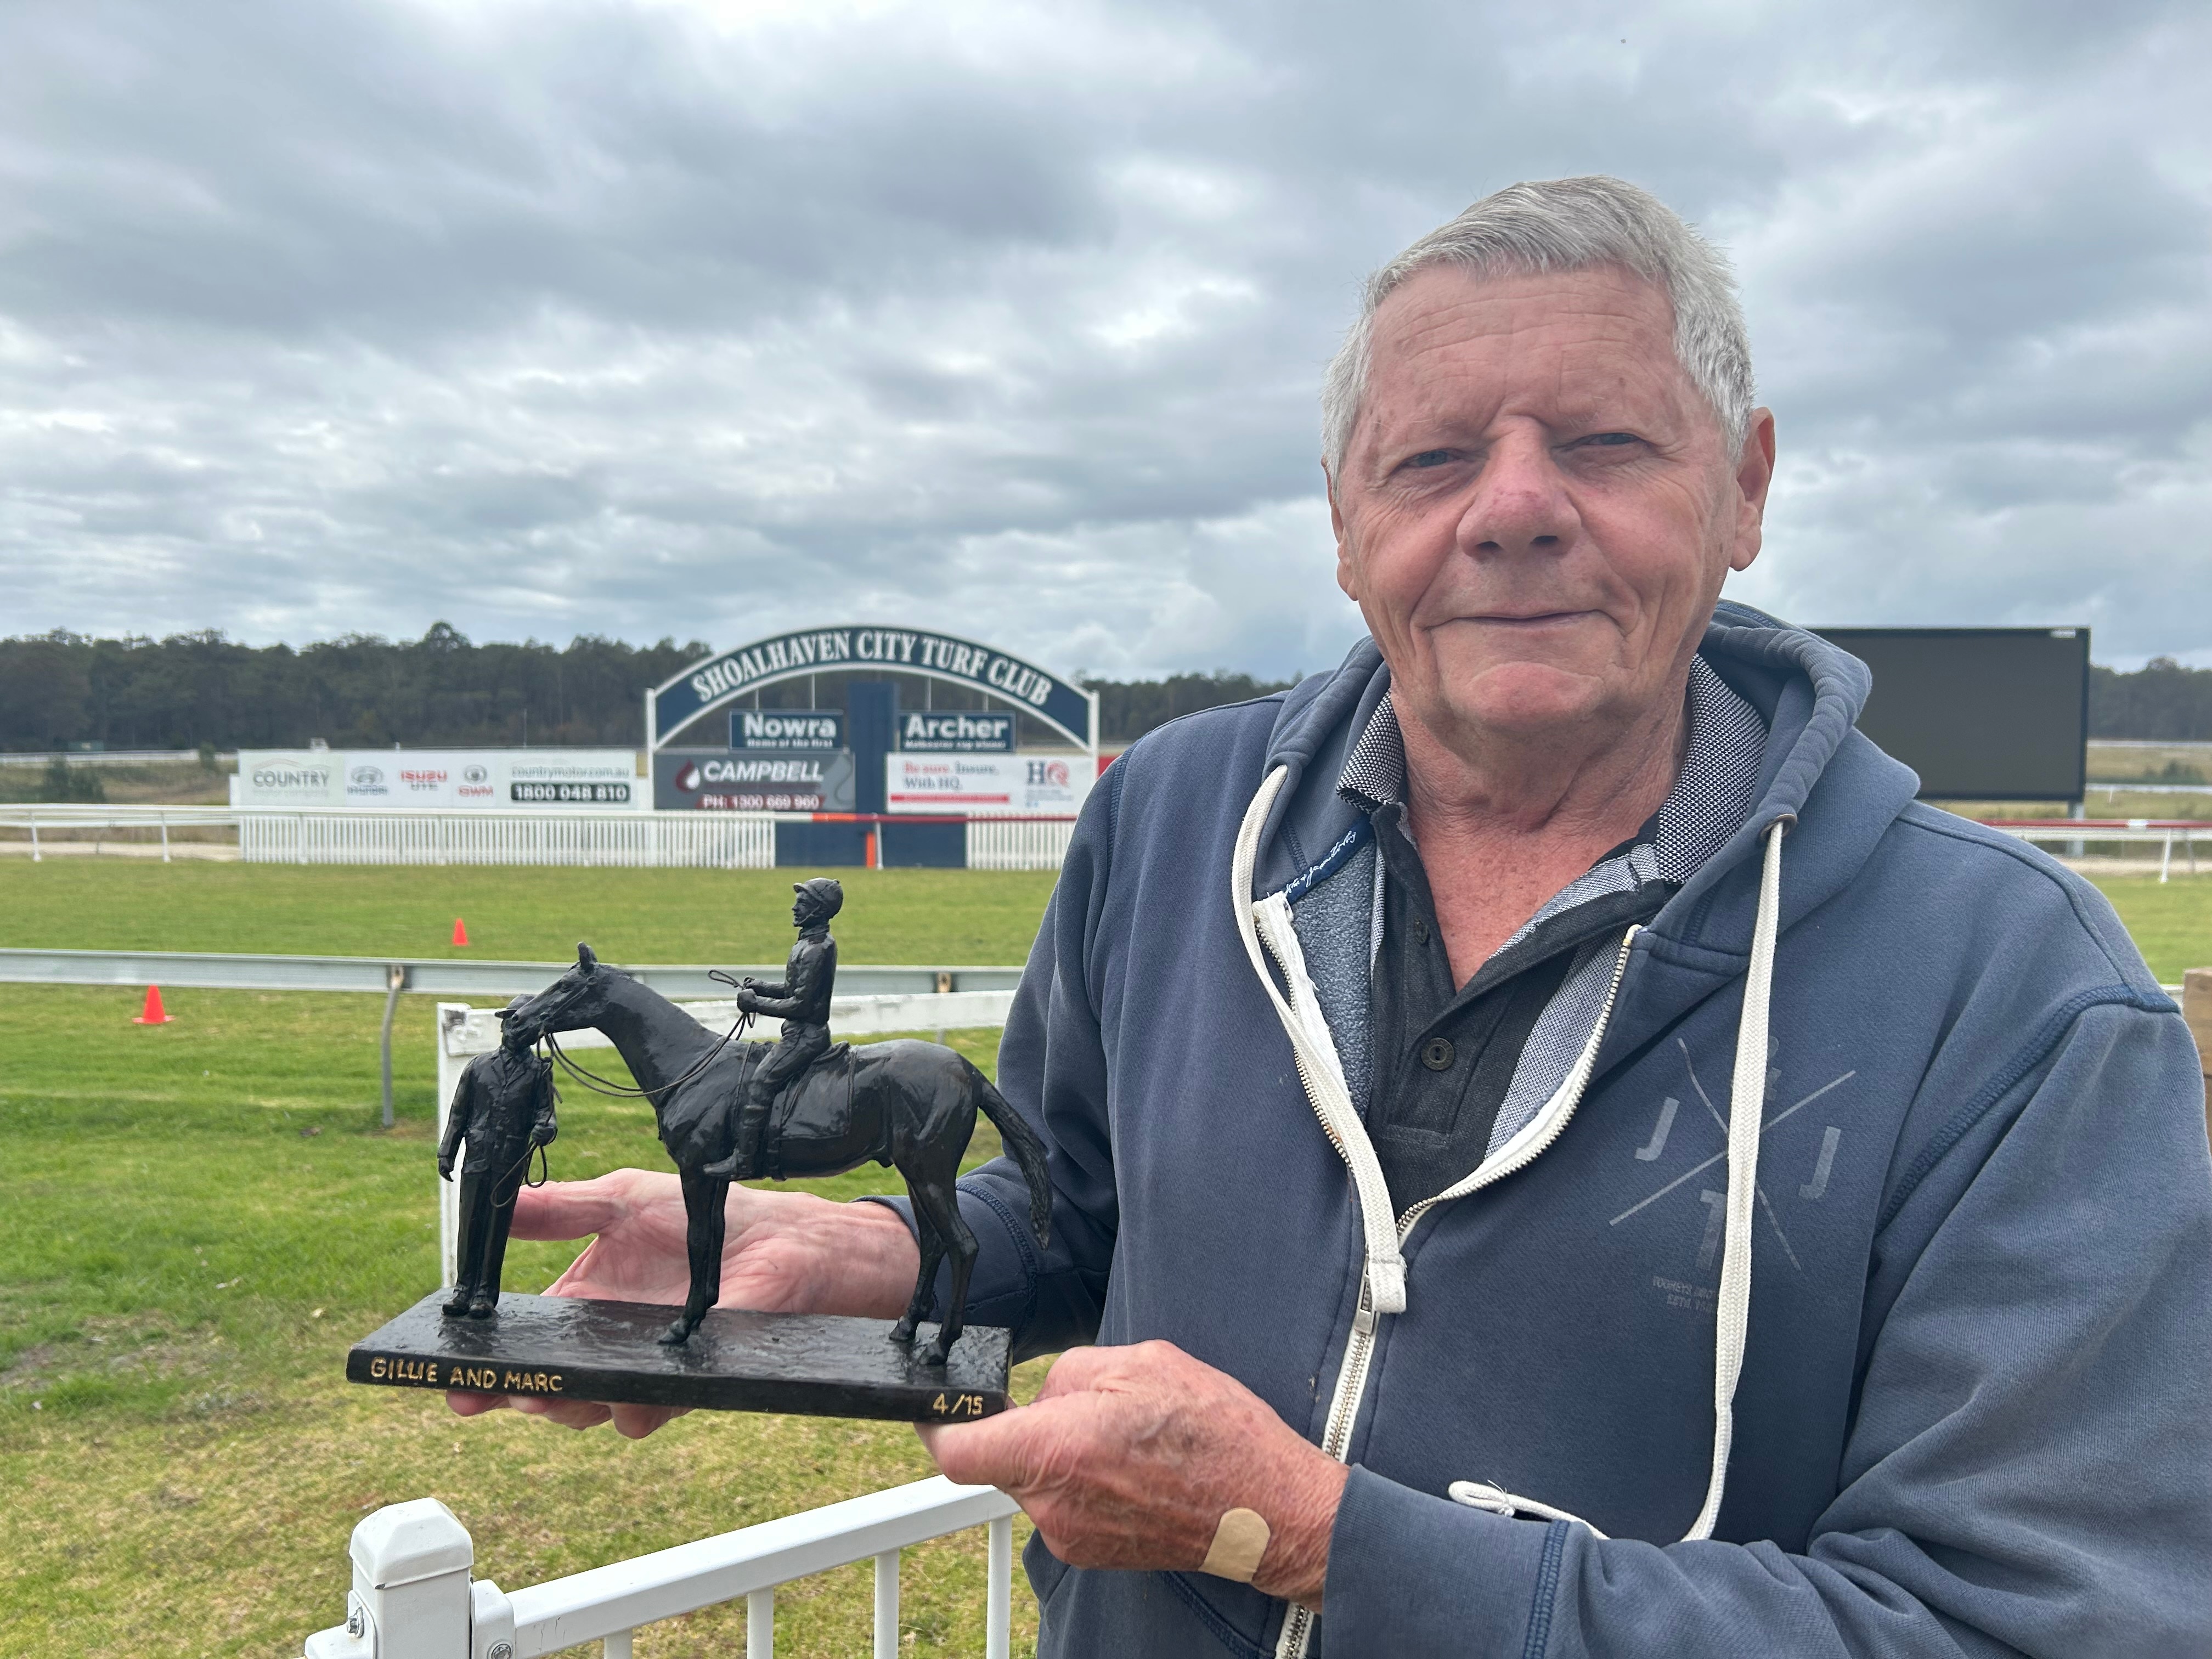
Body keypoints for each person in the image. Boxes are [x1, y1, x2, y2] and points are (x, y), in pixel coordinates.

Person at [454, 178, 2212, 1655]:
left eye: (1601, 443)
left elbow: (2034, 1623)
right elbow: (1080, 1205)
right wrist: (883, 1258)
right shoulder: (1171, 816)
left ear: (1743, 486)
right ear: (1347, 522)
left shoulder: (2019, 995)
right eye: (1434, 457)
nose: (1512, 510)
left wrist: (1315, 1541)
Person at [701, 877, 842, 1183]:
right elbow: (793, 988)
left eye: (802, 903)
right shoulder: (806, 942)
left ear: (818, 909)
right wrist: (762, 987)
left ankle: (745, 1162)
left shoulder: (818, 948)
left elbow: (803, 1006)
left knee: (761, 1082)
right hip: (797, 1033)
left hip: (806, 1038)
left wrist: (756, 1004)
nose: (794, 907)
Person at [437, 996, 557, 1318]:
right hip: (476, 1158)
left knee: (495, 1227)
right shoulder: (477, 1067)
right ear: (503, 1025)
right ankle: (463, 1288)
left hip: (510, 1162)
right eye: (512, 1022)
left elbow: (546, 1113)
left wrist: (546, 1128)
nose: (516, 1030)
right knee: (470, 1223)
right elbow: (458, 1114)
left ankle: (485, 1292)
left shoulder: (538, 1072)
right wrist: (447, 1151)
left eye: (525, 1024)